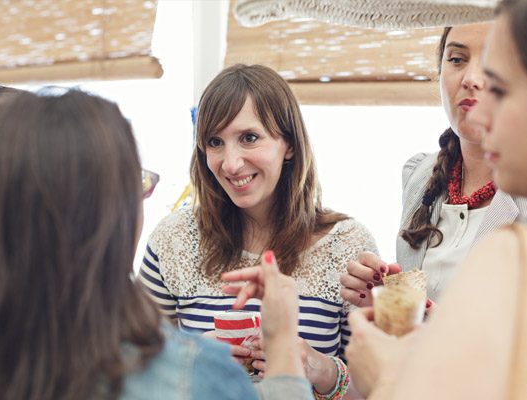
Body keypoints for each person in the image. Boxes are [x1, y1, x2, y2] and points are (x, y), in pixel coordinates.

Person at [0, 89, 312, 399]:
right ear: (110, 216)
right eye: (137, 183)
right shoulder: (192, 376)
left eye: (249, 137)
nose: (231, 162)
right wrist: (281, 346)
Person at [344, 0, 527, 397]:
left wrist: (388, 378)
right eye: (456, 60)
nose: (480, 109)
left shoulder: (521, 252)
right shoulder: (418, 176)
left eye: (500, 86)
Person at [138, 63, 378, 396]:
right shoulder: (173, 239)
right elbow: (134, 373)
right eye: (215, 142)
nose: (230, 163)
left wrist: (317, 368)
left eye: (249, 138)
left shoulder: (347, 244)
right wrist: (190, 357)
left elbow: (379, 388)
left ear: (289, 144)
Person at [340, 20, 527, 306]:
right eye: (457, 60)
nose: (471, 78)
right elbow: (416, 320)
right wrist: (386, 300)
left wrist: (437, 326)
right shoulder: (419, 176)